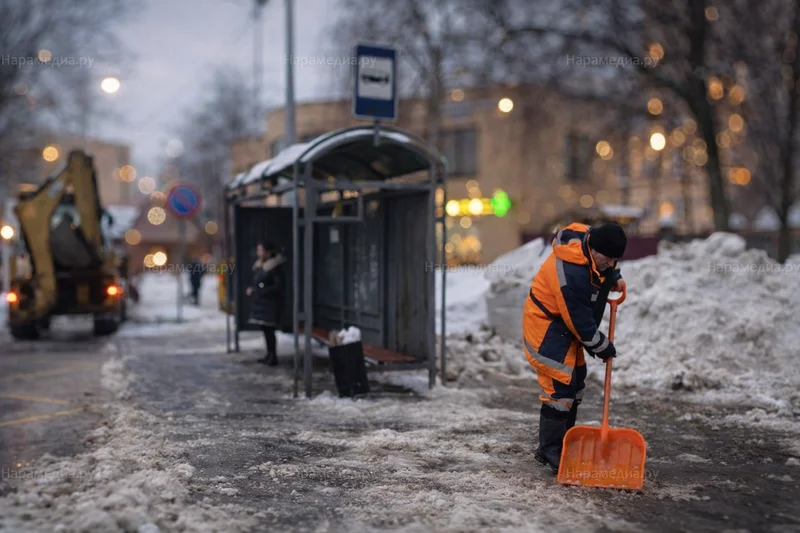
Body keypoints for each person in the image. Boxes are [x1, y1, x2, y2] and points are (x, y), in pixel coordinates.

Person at [522, 222, 627, 473]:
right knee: (561, 389)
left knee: (576, 383)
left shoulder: (589, 240)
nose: (610, 264)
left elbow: (600, 266)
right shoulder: (571, 275)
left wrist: (613, 275)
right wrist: (602, 346)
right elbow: (580, 323)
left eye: (615, 260)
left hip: (564, 327)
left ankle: (565, 442)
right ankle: (550, 449)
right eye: (608, 259)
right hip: (546, 327)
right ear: (594, 249)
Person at [246, 242, 286, 366]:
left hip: (270, 304)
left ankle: (273, 356)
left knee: (269, 331)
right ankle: (269, 354)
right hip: (263, 304)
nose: (258, 252)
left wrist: (258, 290)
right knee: (266, 330)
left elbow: (278, 286)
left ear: (268, 252)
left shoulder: (274, 267)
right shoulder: (260, 266)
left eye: (260, 250)